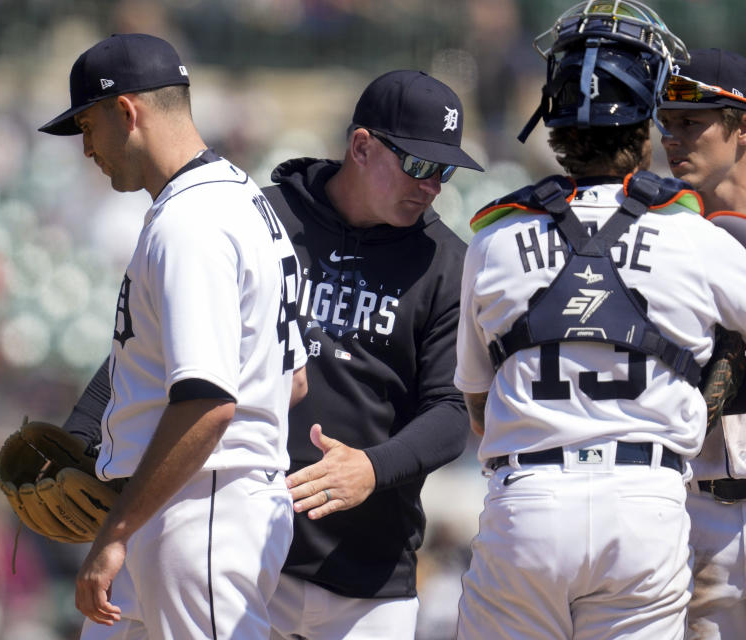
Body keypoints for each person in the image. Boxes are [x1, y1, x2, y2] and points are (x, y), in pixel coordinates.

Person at [454, 3, 746, 638]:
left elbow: (477, 404)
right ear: (646, 122)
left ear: (553, 120)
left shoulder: (493, 238)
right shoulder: (695, 237)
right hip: (646, 505)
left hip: (524, 499)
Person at [37, 33, 308, 639]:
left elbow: (209, 402)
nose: (86, 148)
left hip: (201, 510)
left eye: (87, 125)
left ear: (126, 111)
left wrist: (118, 530)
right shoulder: (241, 200)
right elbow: (291, 381)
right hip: (186, 504)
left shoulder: (192, 223)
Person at [261, 70, 481, 639]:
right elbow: (160, 337)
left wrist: (371, 467)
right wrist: (86, 433)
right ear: (362, 146)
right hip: (250, 552)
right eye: (420, 165)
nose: (434, 185)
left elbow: (452, 412)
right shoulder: (261, 222)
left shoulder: (446, 265)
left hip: (371, 572)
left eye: (446, 170)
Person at [659, 47, 746, 639]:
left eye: (693, 121)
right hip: (701, 506)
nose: (673, 136)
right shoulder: (660, 235)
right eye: (666, 121)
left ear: (742, 127)